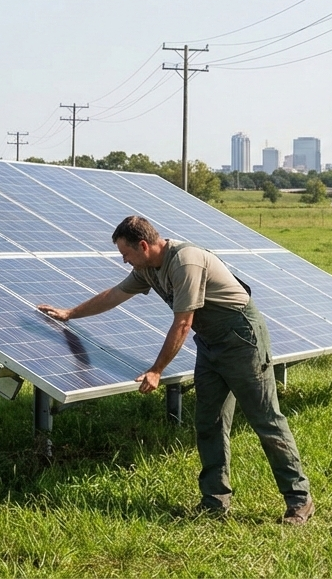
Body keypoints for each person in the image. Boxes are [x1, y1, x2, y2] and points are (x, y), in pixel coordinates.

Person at [36, 215, 314, 524]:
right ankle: (214, 501)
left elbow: (183, 323)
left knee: (265, 420)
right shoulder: (147, 268)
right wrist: (70, 313)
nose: (125, 261)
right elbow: (114, 295)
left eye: (126, 254)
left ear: (143, 246)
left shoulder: (185, 262)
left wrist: (156, 370)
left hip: (241, 339)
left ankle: (299, 500)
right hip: (209, 343)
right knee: (209, 422)